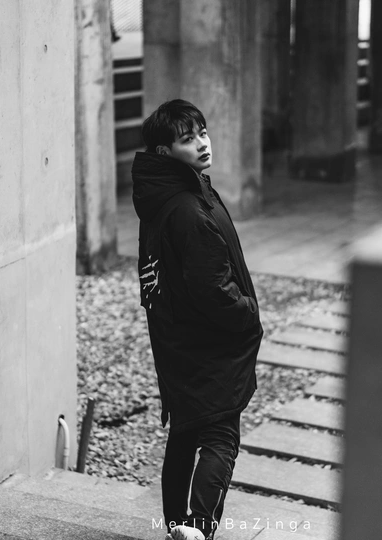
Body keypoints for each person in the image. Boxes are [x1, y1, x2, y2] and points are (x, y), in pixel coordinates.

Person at [132, 99, 263, 540]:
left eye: (202, 132)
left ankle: (176, 525)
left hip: (179, 339)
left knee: (187, 430)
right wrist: (248, 314)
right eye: (188, 139)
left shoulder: (165, 196)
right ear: (165, 152)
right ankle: (199, 528)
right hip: (208, 343)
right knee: (221, 434)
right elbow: (213, 288)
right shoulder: (187, 208)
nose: (203, 143)